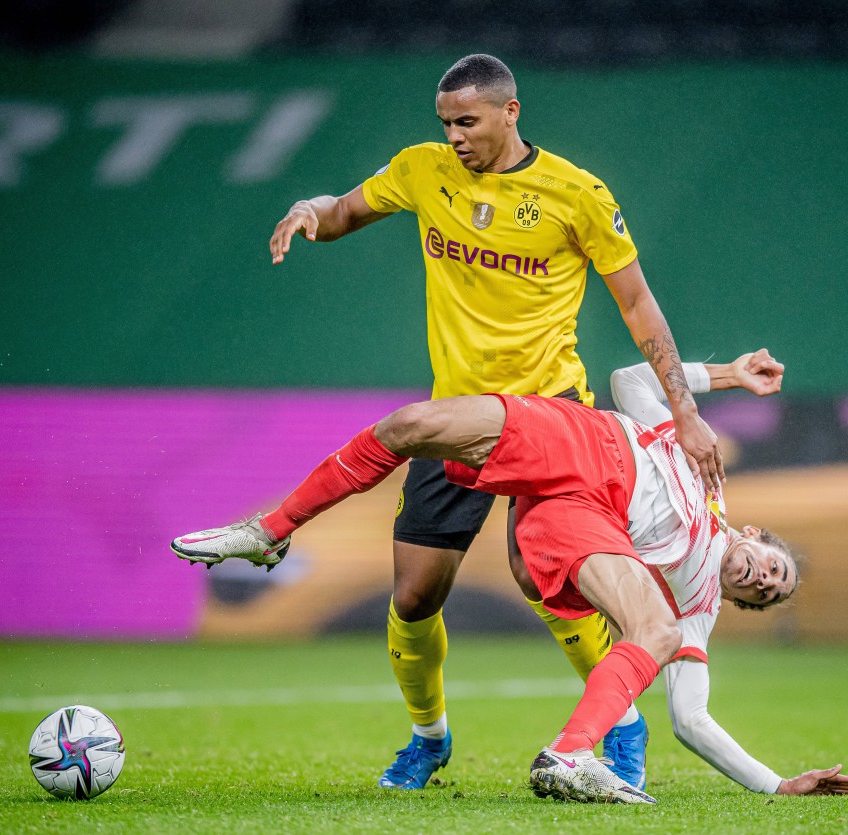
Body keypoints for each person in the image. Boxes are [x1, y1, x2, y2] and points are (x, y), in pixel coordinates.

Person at [263, 52, 720, 791]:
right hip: (459, 415)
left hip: (552, 412)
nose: (455, 137)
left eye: (467, 122)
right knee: (414, 595)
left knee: (546, 578)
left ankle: (620, 726)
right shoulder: (423, 169)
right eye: (446, 123)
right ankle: (428, 738)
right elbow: (344, 211)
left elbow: (639, 307)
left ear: (512, 112)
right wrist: (310, 210)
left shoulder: (577, 194)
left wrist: (685, 409)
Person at [171, 347, 848, 803]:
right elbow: (630, 381)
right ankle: (270, 532)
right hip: (586, 437)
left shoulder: (698, 603)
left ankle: (568, 754)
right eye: (773, 567)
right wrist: (726, 377)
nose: (764, 580)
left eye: (768, 592)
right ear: (755, 536)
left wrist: (776, 786)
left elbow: (692, 718)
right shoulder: (707, 471)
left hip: (580, 518)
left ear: (743, 599)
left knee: (652, 630)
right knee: (412, 423)